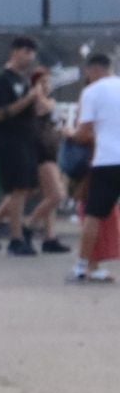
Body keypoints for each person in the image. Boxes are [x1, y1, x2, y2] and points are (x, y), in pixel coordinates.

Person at [0, 36, 44, 255]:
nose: (30, 57)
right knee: (18, 188)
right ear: (15, 52)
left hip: (27, 138)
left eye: (32, 52)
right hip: (10, 140)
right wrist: (28, 100)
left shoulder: (24, 79)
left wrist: (39, 101)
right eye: (26, 51)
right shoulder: (3, 80)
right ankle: (16, 238)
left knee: (27, 188)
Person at [70, 54, 120, 283]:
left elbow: (83, 133)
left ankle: (82, 267)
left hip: (107, 160)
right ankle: (93, 266)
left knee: (94, 215)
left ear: (92, 69)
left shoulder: (91, 92)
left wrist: (67, 133)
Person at [16, 67, 71, 254]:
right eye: (42, 82)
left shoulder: (50, 100)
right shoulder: (33, 102)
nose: (46, 86)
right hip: (39, 152)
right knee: (57, 195)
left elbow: (55, 115)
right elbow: (43, 108)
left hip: (52, 149)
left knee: (50, 196)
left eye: (48, 82)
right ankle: (28, 225)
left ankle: (50, 237)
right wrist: (36, 92)